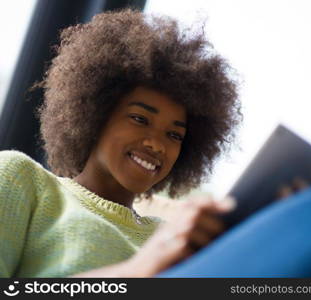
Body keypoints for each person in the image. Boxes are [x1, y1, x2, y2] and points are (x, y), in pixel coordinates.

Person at [0, 8, 242, 277]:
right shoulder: (22, 178)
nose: (157, 144)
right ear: (95, 114)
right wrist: (140, 268)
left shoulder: (170, 236)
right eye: (140, 119)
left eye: (174, 135)